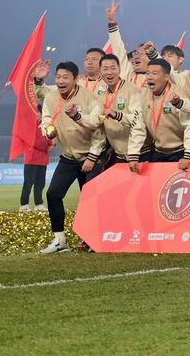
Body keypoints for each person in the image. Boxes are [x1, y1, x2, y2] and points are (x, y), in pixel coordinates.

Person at [38, 61, 101, 254]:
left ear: (76, 79)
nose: (61, 81)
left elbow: (98, 127)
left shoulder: (88, 97)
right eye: (58, 77)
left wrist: (92, 157)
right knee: (53, 194)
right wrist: (48, 131)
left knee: (90, 200)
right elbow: (46, 121)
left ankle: (93, 239)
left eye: (66, 77)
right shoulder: (51, 97)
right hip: (68, 157)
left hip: (91, 156)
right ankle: (60, 240)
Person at [127, 59, 190, 170]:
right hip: (157, 152)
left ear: (166, 77)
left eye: (154, 73)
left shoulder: (177, 95)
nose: (149, 77)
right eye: (148, 73)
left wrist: (188, 155)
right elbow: (138, 126)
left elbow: (189, 126)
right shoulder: (143, 95)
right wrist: (133, 155)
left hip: (180, 153)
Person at [86, 53, 142, 180]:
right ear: (100, 71)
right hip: (119, 155)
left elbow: (138, 121)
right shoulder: (100, 94)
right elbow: (98, 121)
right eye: (105, 69)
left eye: (112, 68)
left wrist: (117, 115)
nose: (109, 72)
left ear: (119, 69)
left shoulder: (132, 90)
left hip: (140, 154)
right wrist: (77, 117)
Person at [21, 119, 52, 212]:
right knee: (28, 183)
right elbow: (35, 142)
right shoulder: (30, 126)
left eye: (39, 113)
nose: (38, 115)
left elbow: (49, 142)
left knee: (40, 184)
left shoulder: (45, 126)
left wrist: (52, 141)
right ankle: (24, 204)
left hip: (43, 160)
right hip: (31, 160)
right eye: (37, 113)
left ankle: (39, 204)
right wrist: (48, 144)